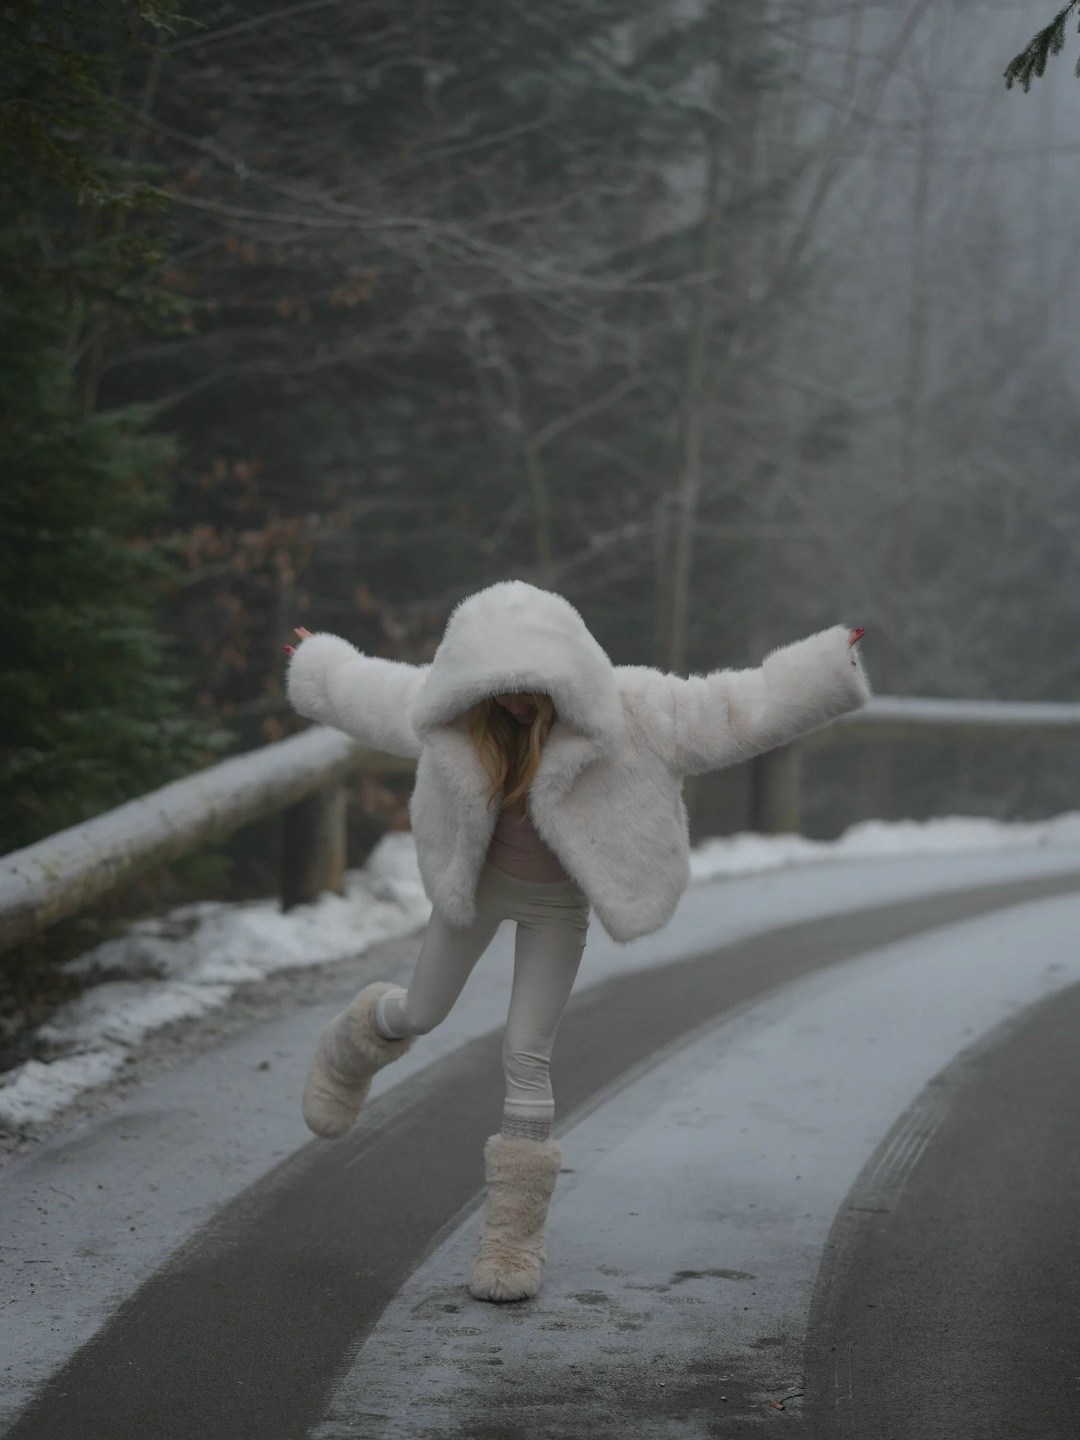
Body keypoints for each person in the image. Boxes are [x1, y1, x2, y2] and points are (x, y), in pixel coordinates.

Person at [284, 579, 870, 1303]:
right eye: (502, 688)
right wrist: (319, 664)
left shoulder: (632, 711)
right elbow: (370, 692)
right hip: (476, 894)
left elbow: (737, 707)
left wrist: (824, 667)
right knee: (420, 1013)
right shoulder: (457, 713)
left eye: (530, 687)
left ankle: (512, 1241)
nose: (516, 704)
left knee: (526, 1053)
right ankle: (350, 1050)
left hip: (559, 909)